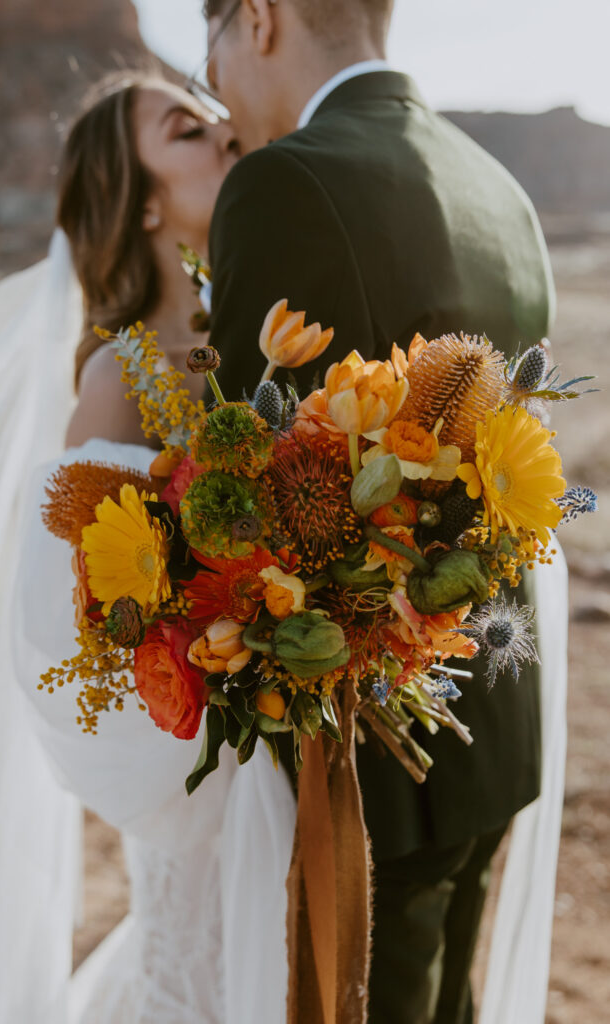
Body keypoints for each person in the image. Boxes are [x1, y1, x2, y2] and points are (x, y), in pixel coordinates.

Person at [0, 73, 296, 1024]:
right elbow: (79, 622)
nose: (228, 141)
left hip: (300, 752)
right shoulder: (120, 378)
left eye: (226, 126)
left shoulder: (264, 336)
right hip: (207, 773)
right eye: (190, 131)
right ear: (143, 199)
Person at [201, 1, 568, 1022]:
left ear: (260, 19)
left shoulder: (284, 181)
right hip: (497, 704)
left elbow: (244, 495)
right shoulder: (498, 185)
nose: (218, 85)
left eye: (213, 47)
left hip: (372, 750)